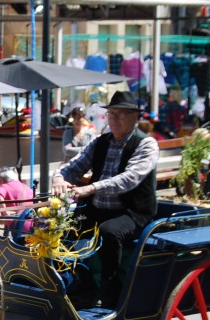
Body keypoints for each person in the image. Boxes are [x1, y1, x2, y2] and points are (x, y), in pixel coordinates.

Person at [51, 91, 159, 308]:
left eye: (121, 115)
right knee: (58, 226)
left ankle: (110, 293)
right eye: (111, 114)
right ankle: (70, 283)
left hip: (131, 212)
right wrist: (58, 179)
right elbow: (75, 166)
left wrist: (90, 188)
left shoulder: (146, 145)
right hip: (97, 208)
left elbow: (128, 180)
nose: (114, 119)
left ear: (134, 118)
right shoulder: (100, 142)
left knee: (109, 233)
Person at [0, 166, 34, 232]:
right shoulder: (26, 187)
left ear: (1, 180)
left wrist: (5, 213)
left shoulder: (4, 186)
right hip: (32, 226)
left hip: (18, 228)